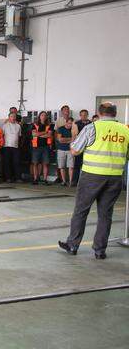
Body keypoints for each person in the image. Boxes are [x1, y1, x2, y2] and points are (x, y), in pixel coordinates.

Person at [59, 102, 129, 259]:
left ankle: (72, 245)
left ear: (99, 112)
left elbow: (75, 150)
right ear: (115, 113)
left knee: (81, 211)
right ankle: (99, 250)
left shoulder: (93, 127)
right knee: (105, 214)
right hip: (115, 177)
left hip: (92, 176)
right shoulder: (125, 130)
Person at [31, 111, 52, 185]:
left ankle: (45, 179)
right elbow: (34, 134)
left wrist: (38, 134)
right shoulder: (35, 125)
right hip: (36, 147)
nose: (43, 116)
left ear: (46, 117)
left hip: (46, 147)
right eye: (42, 115)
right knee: (35, 163)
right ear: (39, 116)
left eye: (45, 115)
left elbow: (49, 135)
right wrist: (44, 132)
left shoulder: (49, 125)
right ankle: (35, 179)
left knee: (45, 164)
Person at [1, 111, 22, 183]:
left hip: (16, 147)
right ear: (9, 117)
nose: (13, 118)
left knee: (16, 162)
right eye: (11, 116)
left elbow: (19, 136)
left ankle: (18, 178)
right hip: (6, 146)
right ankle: (8, 178)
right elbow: (2, 136)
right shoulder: (4, 125)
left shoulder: (18, 126)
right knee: (7, 163)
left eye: (14, 116)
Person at [72, 109, 91, 186]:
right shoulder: (76, 123)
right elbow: (74, 136)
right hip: (79, 146)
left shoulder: (91, 123)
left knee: (87, 165)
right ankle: (75, 181)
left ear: (87, 115)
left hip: (88, 147)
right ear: (80, 115)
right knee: (77, 165)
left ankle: (86, 182)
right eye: (82, 115)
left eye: (85, 115)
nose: (84, 116)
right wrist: (73, 147)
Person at [56, 117, 75, 186]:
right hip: (61, 149)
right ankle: (64, 181)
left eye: (72, 124)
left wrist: (65, 139)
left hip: (71, 150)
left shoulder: (74, 129)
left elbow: (75, 139)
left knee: (71, 166)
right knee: (62, 166)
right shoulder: (61, 129)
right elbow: (60, 139)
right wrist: (70, 139)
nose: (70, 125)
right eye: (69, 123)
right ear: (66, 122)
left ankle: (70, 181)